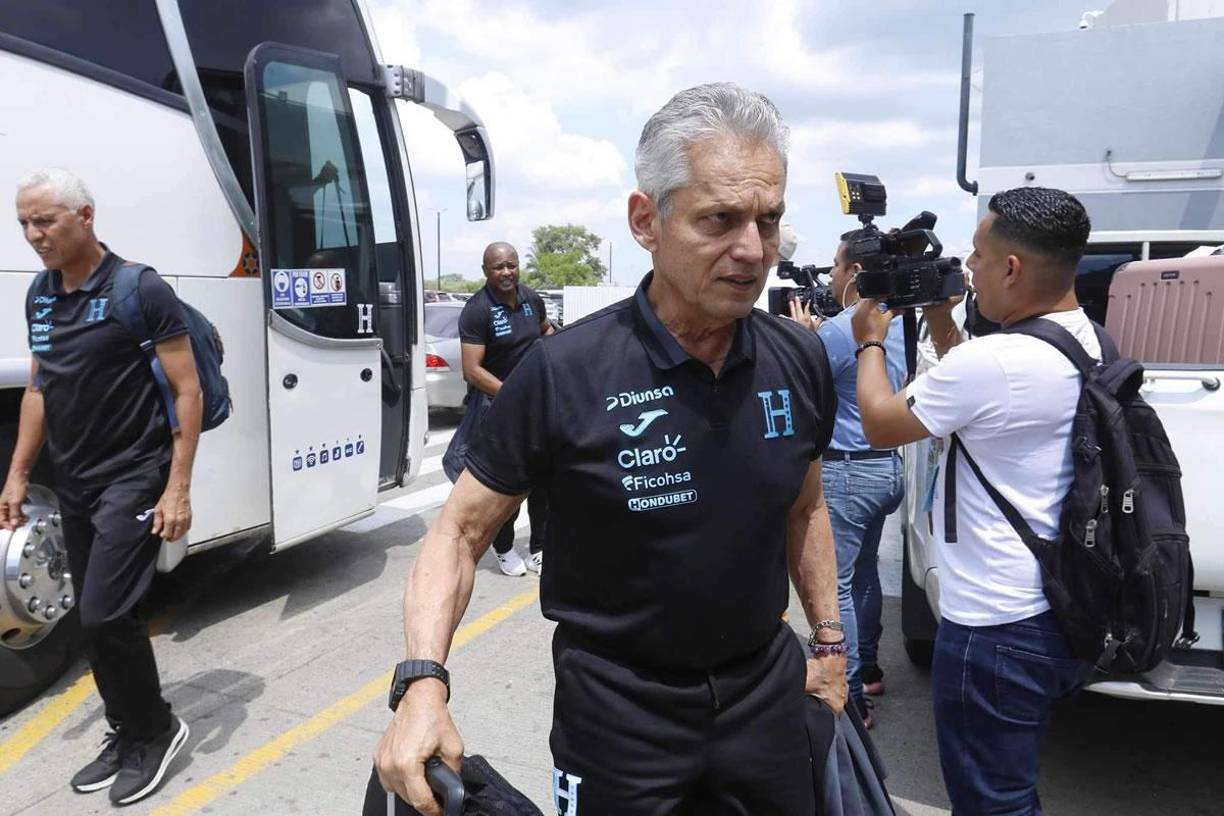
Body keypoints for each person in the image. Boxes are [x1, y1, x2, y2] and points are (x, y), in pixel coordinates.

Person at [375, 82, 845, 816]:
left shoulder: (798, 359)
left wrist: (829, 644)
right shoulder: (564, 375)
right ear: (645, 221)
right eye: (719, 219)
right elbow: (459, 534)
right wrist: (422, 684)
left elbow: (807, 509)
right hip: (618, 717)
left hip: (767, 701)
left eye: (769, 219)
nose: (753, 250)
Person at [852, 186, 1097, 814]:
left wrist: (870, 340)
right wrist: (940, 318)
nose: (968, 269)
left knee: (991, 802)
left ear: (1012, 269)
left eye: (978, 255)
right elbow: (989, 399)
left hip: (994, 625)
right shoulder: (1082, 341)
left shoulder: (999, 362)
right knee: (1009, 788)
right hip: (1057, 605)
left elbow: (881, 423)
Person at [0, 168, 199, 805]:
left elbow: (186, 390)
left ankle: (158, 729)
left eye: (45, 221)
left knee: (105, 610)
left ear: (84, 217)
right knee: (90, 619)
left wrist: (177, 488)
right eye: (24, 223)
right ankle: (126, 729)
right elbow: (38, 388)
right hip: (77, 480)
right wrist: (18, 474)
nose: (33, 235)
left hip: (134, 475)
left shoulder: (139, 288)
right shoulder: (40, 293)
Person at [789, 232, 905, 726]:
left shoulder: (840, 330)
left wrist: (804, 336)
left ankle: (851, 694)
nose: (831, 277)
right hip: (886, 467)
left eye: (836, 267)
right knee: (864, 575)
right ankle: (871, 667)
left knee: (835, 586)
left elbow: (800, 378)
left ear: (854, 274)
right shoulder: (897, 323)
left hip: (848, 469)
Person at [449, 242, 552, 576]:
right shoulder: (477, 310)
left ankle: (540, 547)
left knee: (544, 482)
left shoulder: (531, 299)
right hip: (499, 409)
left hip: (538, 405)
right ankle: (504, 548)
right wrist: (514, 394)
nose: (506, 272)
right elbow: (472, 370)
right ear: (485, 272)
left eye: (511, 265)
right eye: (498, 267)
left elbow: (545, 331)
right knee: (509, 486)